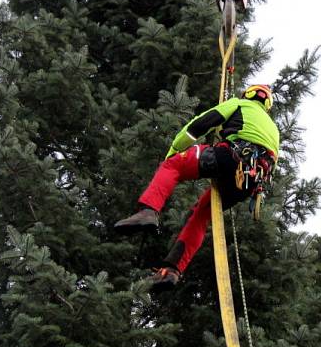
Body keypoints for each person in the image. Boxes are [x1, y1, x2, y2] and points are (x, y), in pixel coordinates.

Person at [114, 84, 280, 291]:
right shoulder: (274, 130)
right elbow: (272, 164)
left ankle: (148, 211)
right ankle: (172, 271)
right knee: (201, 214)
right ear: (268, 105)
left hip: (230, 156)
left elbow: (199, 126)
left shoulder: (239, 104)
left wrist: (173, 153)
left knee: (173, 165)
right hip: (248, 183)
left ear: (248, 94)